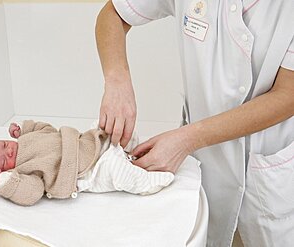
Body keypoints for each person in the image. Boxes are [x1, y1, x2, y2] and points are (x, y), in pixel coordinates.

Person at [95, 1, 294, 246]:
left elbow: (288, 94)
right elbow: (113, 14)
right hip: (204, 169)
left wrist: (187, 139)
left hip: (268, 174)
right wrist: (117, 82)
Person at [0, 120, 174, 206]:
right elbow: (32, 192)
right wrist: (7, 183)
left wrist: (26, 129)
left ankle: (130, 147)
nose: (9, 150)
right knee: (115, 171)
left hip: (86, 143)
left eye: (4, 144)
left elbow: (47, 130)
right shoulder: (23, 173)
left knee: (110, 126)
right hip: (87, 172)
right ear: (3, 172)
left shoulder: (24, 141)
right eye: (5, 159)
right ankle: (145, 181)